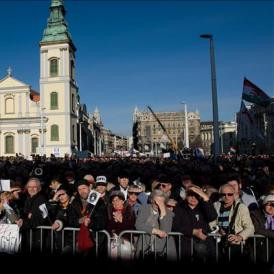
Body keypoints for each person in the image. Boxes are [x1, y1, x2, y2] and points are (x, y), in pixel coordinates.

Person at [211, 184, 255, 261]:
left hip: (235, 245)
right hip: (218, 244)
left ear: (234, 194)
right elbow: (211, 224)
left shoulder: (241, 207)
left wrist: (239, 237)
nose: (226, 197)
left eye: (230, 194)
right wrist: (217, 230)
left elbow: (250, 228)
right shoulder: (216, 205)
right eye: (223, 194)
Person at [173, 185, 217, 262]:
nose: (193, 198)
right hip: (186, 246)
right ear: (186, 196)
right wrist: (193, 231)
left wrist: (204, 196)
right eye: (190, 195)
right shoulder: (179, 207)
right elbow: (176, 225)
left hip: (205, 247)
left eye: (196, 195)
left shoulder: (204, 206)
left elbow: (212, 216)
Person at [135, 189, 176, 260]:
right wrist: (154, 230)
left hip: (163, 249)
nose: (158, 205)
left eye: (161, 202)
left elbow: (165, 231)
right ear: (151, 200)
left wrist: (163, 210)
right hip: (145, 246)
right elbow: (138, 225)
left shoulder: (169, 213)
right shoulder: (144, 208)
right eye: (156, 202)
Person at [106, 191, 136, 260]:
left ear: (122, 201)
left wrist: (121, 220)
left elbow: (132, 226)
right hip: (113, 243)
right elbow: (108, 227)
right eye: (113, 201)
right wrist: (114, 221)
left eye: (117, 200)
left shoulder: (130, 211)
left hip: (127, 242)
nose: (115, 202)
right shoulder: (109, 211)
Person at [250, 194, 274, 262]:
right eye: (269, 204)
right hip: (260, 246)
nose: (271, 207)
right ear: (263, 205)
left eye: (273, 205)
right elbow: (256, 229)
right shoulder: (255, 214)